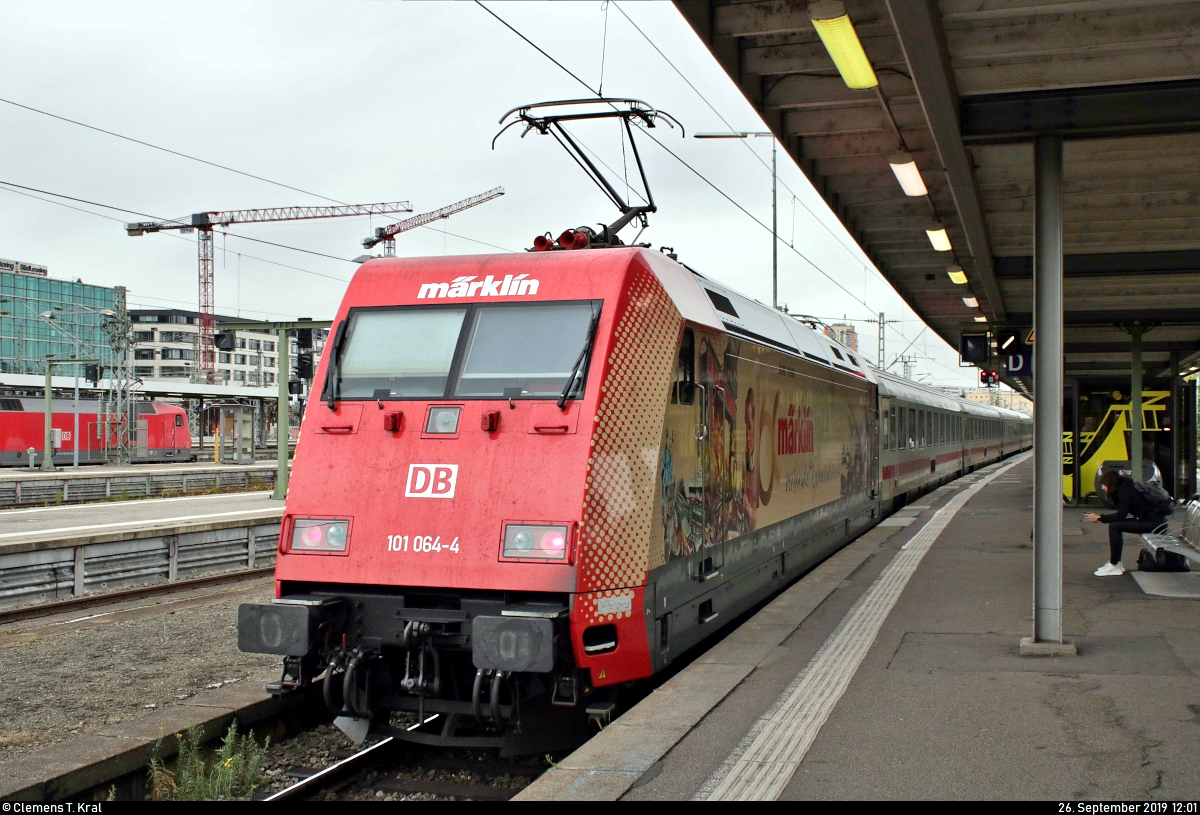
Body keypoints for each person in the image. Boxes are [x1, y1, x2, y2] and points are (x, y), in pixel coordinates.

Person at [1084, 470, 1169, 576]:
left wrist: (1100, 518)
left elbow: (1121, 515)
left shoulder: (1125, 491)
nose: (1103, 488)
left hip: (1154, 524)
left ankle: (1114, 564)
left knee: (1115, 526)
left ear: (1111, 484)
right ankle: (1116, 563)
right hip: (1152, 521)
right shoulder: (1125, 487)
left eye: (1104, 485)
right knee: (1115, 526)